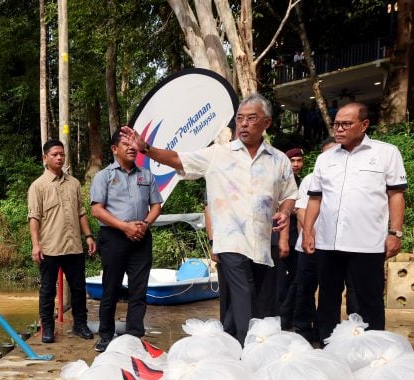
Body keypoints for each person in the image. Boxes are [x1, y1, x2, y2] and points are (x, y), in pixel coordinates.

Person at [120, 93, 297, 344]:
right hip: (230, 241)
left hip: (262, 242)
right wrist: (146, 148)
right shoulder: (218, 154)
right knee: (244, 294)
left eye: (251, 118)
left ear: (266, 123)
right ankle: (251, 351)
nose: (243, 124)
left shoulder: (279, 160)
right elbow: (177, 159)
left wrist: (286, 211)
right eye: (240, 119)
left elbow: (289, 194)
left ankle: (231, 343)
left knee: (258, 300)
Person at [302, 102, 407, 341]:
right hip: (329, 243)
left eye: (346, 124)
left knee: (368, 298)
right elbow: (315, 199)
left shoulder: (386, 153)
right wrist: (308, 232)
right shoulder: (325, 159)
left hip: (367, 243)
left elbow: (396, 195)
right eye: (336, 124)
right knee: (328, 298)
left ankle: (373, 347)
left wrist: (395, 232)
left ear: (364, 124)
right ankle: (328, 344)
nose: (339, 129)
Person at [88, 130, 162, 352]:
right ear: (114, 149)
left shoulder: (146, 175)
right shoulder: (104, 176)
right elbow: (96, 210)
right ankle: (106, 335)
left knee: (139, 289)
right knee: (110, 288)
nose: (132, 147)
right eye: (125, 144)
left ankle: (134, 336)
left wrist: (145, 224)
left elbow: (156, 205)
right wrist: (124, 227)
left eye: (133, 144)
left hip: (141, 236)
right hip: (113, 237)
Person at [27, 139, 97, 343]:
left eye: (62, 154)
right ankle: (48, 328)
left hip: (73, 245)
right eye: (55, 154)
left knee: (78, 288)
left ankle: (80, 325)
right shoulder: (38, 186)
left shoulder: (74, 183)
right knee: (48, 290)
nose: (59, 157)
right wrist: (36, 245)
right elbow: (34, 217)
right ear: (45, 158)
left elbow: (81, 212)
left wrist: (89, 236)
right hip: (50, 247)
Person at [287, 139, 336, 341]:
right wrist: (308, 233)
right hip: (309, 244)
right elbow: (301, 209)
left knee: (330, 288)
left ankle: (328, 330)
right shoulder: (310, 179)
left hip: (334, 245)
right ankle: (304, 328)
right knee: (304, 287)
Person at [272, 147, 305, 327]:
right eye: (292, 161)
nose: (296, 165)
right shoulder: (280, 180)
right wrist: (282, 240)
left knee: (295, 279)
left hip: (297, 238)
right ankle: (280, 319)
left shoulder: (301, 181)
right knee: (280, 281)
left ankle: (288, 316)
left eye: (299, 161)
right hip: (281, 236)